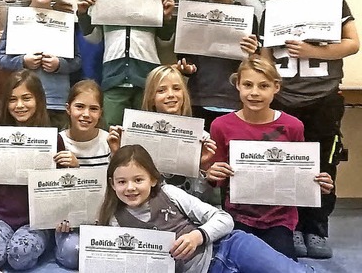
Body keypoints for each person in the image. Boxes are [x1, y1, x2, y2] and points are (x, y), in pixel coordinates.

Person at [261, 0, 359, 258]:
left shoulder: (332, 1)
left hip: (323, 99)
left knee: (323, 166)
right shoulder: (272, 9)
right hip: (284, 101)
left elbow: (352, 43)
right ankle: (291, 226)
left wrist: (314, 50)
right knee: (286, 167)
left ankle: (316, 228)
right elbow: (265, 58)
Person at [99, 145, 316, 273]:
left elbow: (224, 219)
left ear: (153, 179)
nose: (130, 188)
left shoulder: (170, 194)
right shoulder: (115, 221)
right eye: (121, 182)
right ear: (112, 184)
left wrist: (197, 236)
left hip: (228, 247)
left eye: (138, 179)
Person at [206, 55, 335, 260]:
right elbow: (216, 178)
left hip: (279, 219)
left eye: (263, 86)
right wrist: (212, 173)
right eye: (248, 85)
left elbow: (300, 173)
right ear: (237, 85)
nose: (254, 93)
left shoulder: (293, 126)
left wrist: (316, 184)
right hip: (237, 216)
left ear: (276, 87)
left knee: (281, 265)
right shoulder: (221, 126)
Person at [77, 0, 176, 128]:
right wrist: (84, 14)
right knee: (110, 131)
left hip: (148, 75)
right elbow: (93, 38)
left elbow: (164, 41)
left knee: (145, 132)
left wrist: (167, 18)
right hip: (113, 74)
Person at [0, 70, 77, 271]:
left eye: (26, 98)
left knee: (19, 256)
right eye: (12, 100)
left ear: (38, 100)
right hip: (2, 217)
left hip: (37, 222)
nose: (19, 105)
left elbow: (64, 189)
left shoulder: (54, 139)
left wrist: (72, 167)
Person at [0, 0, 82, 129]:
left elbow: (77, 60)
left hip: (55, 101)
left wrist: (59, 65)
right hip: (23, 102)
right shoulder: (16, 18)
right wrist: (22, 61)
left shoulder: (65, 20)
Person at [108, 66, 217, 202]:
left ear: (184, 94)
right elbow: (122, 189)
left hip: (186, 216)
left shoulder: (202, 138)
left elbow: (203, 198)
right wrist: (117, 154)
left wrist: (202, 167)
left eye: (176, 88)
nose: (170, 94)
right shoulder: (133, 137)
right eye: (161, 90)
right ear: (151, 98)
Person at [176, 0, 259, 131]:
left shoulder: (248, 18)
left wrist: (253, 53)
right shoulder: (192, 16)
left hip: (234, 98)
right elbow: (184, 58)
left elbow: (255, 64)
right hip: (199, 97)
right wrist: (186, 68)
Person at [55, 79, 114, 270]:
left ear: (101, 113)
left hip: (105, 217)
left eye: (93, 109)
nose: (86, 114)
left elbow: (118, 186)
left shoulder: (109, 141)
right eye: (79, 107)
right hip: (69, 221)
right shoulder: (58, 141)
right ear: (68, 109)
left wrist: (117, 152)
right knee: (74, 254)